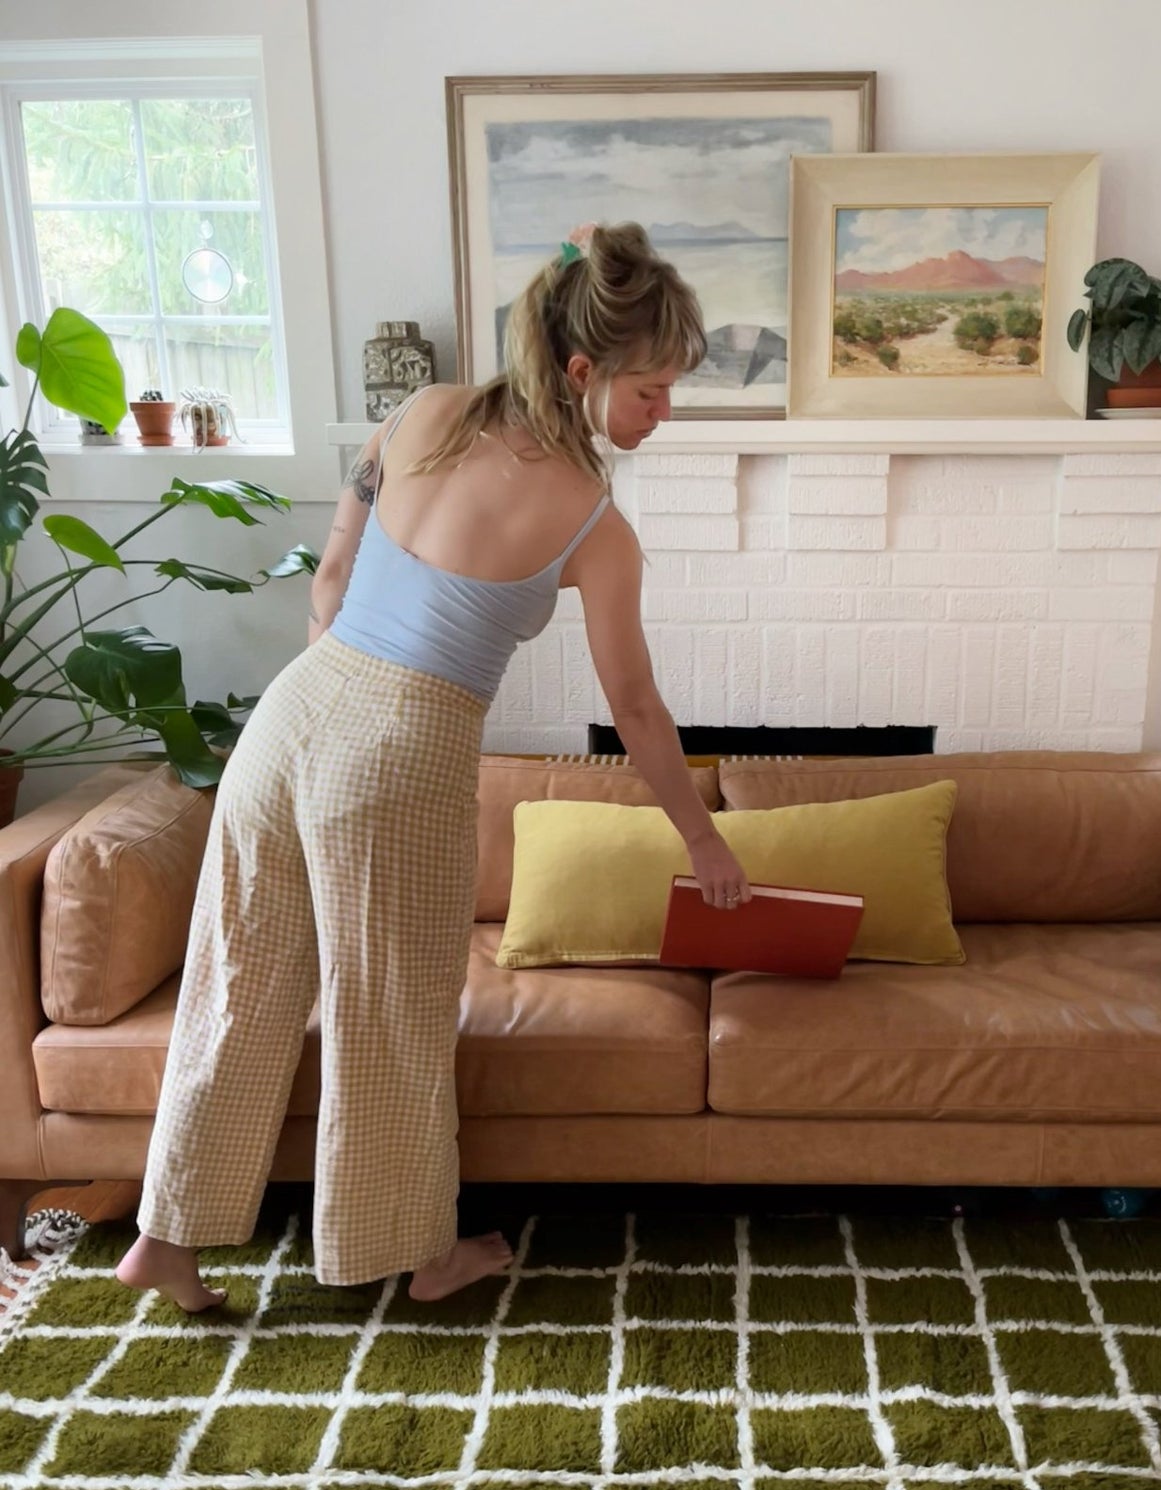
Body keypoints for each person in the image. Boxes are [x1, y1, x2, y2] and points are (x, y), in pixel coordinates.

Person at [117, 221, 752, 1314]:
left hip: (291, 714)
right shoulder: (594, 524)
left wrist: (336, 703)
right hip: (399, 752)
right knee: (394, 1008)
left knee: (240, 976)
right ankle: (417, 1253)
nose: (664, 413)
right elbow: (635, 707)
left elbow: (328, 580)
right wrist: (701, 837)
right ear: (583, 371)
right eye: (650, 392)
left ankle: (165, 1240)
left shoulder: (418, 413)